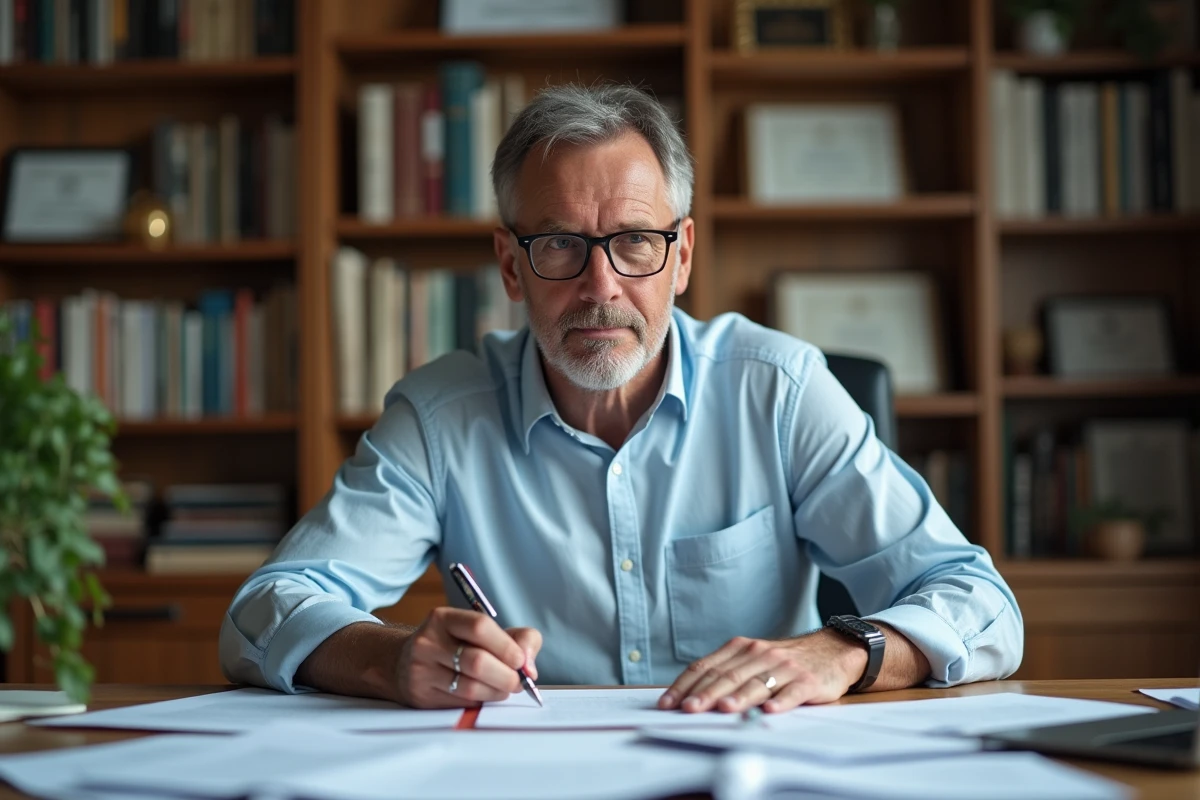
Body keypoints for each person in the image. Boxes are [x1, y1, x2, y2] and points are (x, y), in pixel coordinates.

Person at [220, 84, 1022, 715]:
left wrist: (845, 651)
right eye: (560, 244)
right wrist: (390, 659)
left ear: (682, 257)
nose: (601, 288)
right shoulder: (439, 417)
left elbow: (983, 605)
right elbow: (262, 613)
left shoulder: (778, 390)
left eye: (636, 241)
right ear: (510, 265)